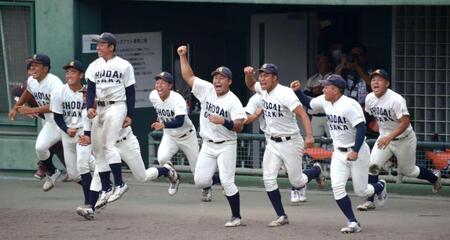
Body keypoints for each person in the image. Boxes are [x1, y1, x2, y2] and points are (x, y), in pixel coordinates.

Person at [291, 74, 387, 233]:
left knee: (361, 191)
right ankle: (353, 222)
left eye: (326, 87)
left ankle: (380, 186)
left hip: (357, 151)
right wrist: (298, 92)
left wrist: (355, 151)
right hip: (339, 153)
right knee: (337, 187)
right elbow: (309, 103)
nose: (323, 89)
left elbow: (361, 128)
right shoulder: (324, 99)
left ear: (336, 90)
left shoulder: (349, 105)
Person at [244, 63, 325, 227]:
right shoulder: (263, 89)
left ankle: (315, 170)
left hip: (291, 141)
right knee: (268, 179)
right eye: (261, 75)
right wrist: (248, 74)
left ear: (275, 78)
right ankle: (281, 215)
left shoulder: (285, 93)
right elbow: (251, 84)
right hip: (272, 142)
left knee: (296, 181)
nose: (262, 78)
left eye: (266, 75)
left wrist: (309, 136)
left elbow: (302, 114)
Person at [178, 45, 246, 227]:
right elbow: (189, 77)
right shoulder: (207, 90)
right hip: (208, 145)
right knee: (200, 181)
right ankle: (214, 183)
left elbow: (239, 126)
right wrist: (182, 56)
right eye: (215, 77)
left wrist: (224, 121)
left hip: (226, 144)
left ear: (229, 81)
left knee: (227, 182)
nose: (217, 80)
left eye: (221, 77)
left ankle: (236, 216)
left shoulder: (234, 101)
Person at [356, 69, 442, 211]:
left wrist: (389, 136)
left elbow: (405, 123)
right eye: (373, 80)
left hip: (404, 139)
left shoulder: (396, 100)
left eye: (380, 79)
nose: (375, 82)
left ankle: (434, 177)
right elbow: (373, 118)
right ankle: (370, 200)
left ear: (387, 83)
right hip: (384, 138)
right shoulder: (370, 98)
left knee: (409, 171)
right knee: (372, 166)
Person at [149, 71, 218, 200]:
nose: (159, 85)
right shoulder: (153, 96)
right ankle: (175, 179)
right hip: (170, 136)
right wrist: (161, 120)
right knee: (163, 159)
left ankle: (207, 188)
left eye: (162, 83)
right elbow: (160, 110)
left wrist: (163, 125)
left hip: (187, 136)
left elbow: (179, 121)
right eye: (157, 82)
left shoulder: (177, 100)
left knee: (198, 173)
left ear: (170, 86)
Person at [85, 32, 135, 204]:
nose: (98, 47)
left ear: (111, 47)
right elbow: (91, 89)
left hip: (117, 105)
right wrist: (89, 108)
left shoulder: (124, 65)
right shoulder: (93, 65)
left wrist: (130, 114)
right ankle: (106, 187)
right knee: (97, 150)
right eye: (97, 44)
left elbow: (130, 92)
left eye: (102, 44)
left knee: (108, 145)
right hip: (99, 107)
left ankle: (120, 184)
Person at [8, 53, 64, 191]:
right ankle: (52, 171)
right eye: (31, 64)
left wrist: (31, 110)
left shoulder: (54, 82)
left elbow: (54, 107)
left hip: (67, 123)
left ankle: (100, 182)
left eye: (36, 65)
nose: (32, 67)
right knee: (40, 148)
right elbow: (28, 91)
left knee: (77, 165)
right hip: (51, 123)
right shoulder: (32, 80)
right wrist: (16, 107)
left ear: (45, 68)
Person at [51, 60, 92, 209]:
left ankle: (89, 202)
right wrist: (66, 129)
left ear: (81, 75)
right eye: (67, 72)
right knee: (74, 175)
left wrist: (88, 132)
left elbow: (95, 114)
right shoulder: (59, 92)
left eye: (73, 72)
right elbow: (57, 116)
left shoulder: (89, 92)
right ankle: (96, 187)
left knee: (82, 164)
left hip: (83, 131)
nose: (69, 75)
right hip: (67, 133)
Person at [304, 53, 332, 141]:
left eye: (322, 61)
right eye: (317, 61)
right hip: (315, 116)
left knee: (333, 144)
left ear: (328, 63)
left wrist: (321, 90)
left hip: (330, 117)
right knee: (314, 145)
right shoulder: (312, 79)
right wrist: (313, 91)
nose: (319, 64)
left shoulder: (333, 77)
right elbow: (306, 96)